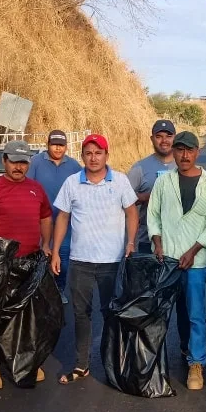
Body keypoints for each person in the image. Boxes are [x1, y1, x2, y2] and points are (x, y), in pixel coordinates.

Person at [51, 134, 139, 385]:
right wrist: (56, 250)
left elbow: (131, 213)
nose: (93, 157)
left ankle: (114, 365)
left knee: (111, 313)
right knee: (81, 314)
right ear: (83, 157)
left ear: (106, 156)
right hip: (80, 261)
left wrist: (130, 242)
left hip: (111, 261)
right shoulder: (71, 183)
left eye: (98, 153)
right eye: (88, 153)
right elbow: (63, 218)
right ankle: (82, 365)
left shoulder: (120, 181)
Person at [148, 131, 206, 390]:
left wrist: (193, 251)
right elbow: (153, 215)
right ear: (174, 153)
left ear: (197, 153)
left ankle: (196, 363)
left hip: (196, 261)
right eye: (179, 150)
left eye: (189, 150)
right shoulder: (164, 182)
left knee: (194, 313)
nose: (184, 155)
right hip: (167, 259)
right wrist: (157, 242)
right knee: (165, 313)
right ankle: (163, 358)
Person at [0, 140, 52, 384]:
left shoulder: (36, 189)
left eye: (23, 162)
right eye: (14, 162)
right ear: (4, 161)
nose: (18, 167)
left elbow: (45, 217)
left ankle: (26, 361)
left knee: (27, 317)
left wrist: (45, 245)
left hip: (29, 263)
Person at [27, 129, 83, 303]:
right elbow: (27, 186)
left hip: (65, 222)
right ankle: (37, 291)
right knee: (39, 257)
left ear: (66, 147)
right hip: (40, 221)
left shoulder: (74, 165)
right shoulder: (35, 162)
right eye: (54, 145)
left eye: (61, 145)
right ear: (47, 145)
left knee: (63, 258)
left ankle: (59, 288)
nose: (57, 149)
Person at [128, 119, 176, 253]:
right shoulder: (140, 167)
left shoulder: (183, 165)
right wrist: (147, 197)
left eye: (168, 136)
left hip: (178, 239)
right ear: (152, 139)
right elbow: (124, 199)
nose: (164, 140)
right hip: (146, 238)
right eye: (159, 136)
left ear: (175, 138)